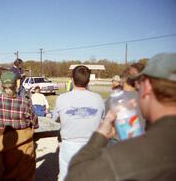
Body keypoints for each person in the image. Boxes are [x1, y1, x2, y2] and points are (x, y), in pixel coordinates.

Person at [65, 53, 176, 181]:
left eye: (139, 84)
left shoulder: (118, 159)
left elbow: (76, 177)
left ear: (147, 87)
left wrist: (99, 136)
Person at [53, 65, 105, 181]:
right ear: (88, 80)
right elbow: (102, 118)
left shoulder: (62, 98)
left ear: (72, 79)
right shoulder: (98, 98)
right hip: (92, 146)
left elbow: (55, 119)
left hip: (69, 145)